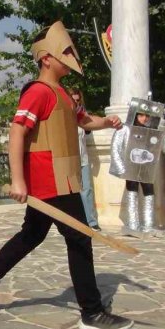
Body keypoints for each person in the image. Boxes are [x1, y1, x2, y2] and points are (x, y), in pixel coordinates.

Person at [0, 20, 133, 329]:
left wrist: (107, 123)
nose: (71, 56)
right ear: (46, 58)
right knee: (80, 238)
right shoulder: (38, 93)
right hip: (48, 178)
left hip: (63, 177)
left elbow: (84, 121)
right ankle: (92, 312)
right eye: (64, 51)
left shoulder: (65, 95)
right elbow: (17, 132)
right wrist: (18, 179)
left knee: (33, 234)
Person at [110, 102, 165, 235]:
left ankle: (148, 224)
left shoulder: (153, 132)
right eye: (141, 115)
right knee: (132, 192)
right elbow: (116, 147)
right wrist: (120, 166)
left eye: (146, 116)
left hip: (147, 168)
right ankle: (132, 224)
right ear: (135, 115)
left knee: (149, 193)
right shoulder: (125, 129)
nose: (144, 119)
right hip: (131, 167)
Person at [70, 88, 100, 230]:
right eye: (73, 99)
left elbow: (89, 130)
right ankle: (77, 221)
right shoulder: (64, 116)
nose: (76, 102)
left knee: (87, 190)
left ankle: (91, 221)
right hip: (70, 160)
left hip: (83, 158)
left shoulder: (82, 116)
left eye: (78, 100)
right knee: (73, 192)